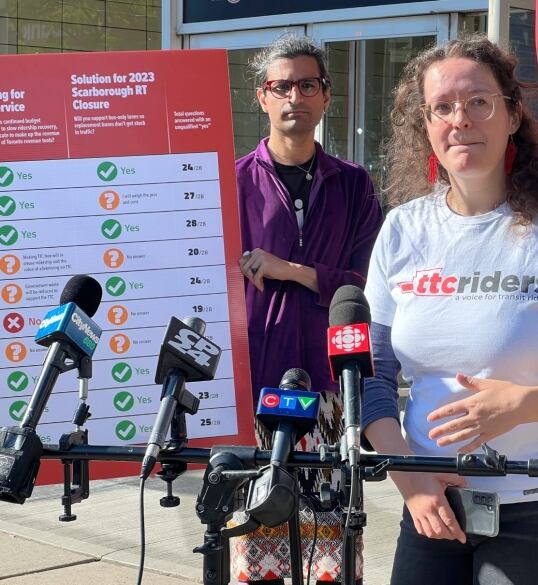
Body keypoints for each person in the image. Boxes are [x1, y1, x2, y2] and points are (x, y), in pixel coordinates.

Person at [361, 36, 538, 585]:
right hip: (432, 498)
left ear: (513, 115)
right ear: (425, 125)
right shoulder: (403, 229)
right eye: (441, 107)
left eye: (478, 102)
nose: (459, 120)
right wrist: (410, 478)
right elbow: (374, 377)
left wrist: (522, 405)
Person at [232, 35, 382, 585]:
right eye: (281, 86)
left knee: (332, 554)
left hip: (331, 393)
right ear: (262, 97)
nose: (293, 95)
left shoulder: (355, 185)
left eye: (306, 84)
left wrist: (289, 270)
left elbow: (368, 284)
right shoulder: (232, 183)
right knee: (259, 551)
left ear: (325, 96)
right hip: (257, 392)